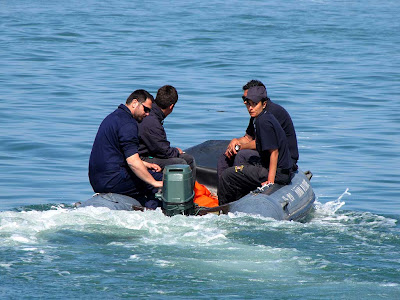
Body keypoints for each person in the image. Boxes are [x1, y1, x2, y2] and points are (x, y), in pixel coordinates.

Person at [217, 85, 293, 205]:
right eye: (248, 104)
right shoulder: (262, 117)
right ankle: (240, 196)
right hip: (277, 170)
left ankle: (224, 208)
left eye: (255, 104)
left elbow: (274, 152)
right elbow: (258, 142)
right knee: (238, 160)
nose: (250, 108)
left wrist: (270, 182)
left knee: (228, 175)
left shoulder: (264, 121)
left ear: (263, 104)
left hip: (278, 174)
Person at [88, 89, 163, 209]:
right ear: (135, 103)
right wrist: (154, 182)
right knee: (160, 179)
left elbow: (117, 154)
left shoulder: (113, 117)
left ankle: (138, 205)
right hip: (112, 180)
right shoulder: (128, 124)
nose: (148, 114)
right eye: (146, 109)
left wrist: (146, 164)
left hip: (97, 179)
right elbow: (132, 162)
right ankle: (152, 215)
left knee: (146, 176)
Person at [217, 79, 299, 178]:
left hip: (284, 160)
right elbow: (248, 138)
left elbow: (265, 144)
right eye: (244, 99)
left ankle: (239, 188)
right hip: (265, 153)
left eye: (248, 99)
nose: (245, 102)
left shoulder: (270, 114)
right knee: (226, 155)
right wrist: (235, 142)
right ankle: (222, 189)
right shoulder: (256, 113)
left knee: (242, 155)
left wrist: (240, 147)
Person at [138, 85, 196, 180]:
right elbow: (163, 151)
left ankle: (189, 190)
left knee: (188, 159)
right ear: (171, 106)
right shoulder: (153, 122)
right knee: (182, 163)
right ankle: (185, 192)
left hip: (147, 152)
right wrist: (176, 151)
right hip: (142, 158)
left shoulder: (151, 113)